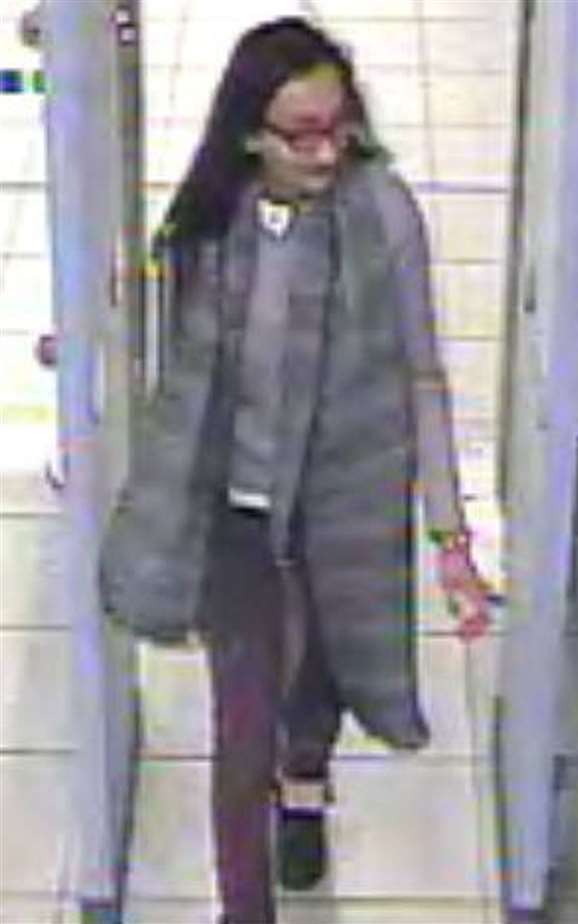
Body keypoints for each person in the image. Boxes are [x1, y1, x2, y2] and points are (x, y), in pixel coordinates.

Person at [95, 18, 493, 924]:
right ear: (248, 135)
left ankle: (306, 782)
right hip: (236, 518)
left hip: (341, 505)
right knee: (239, 738)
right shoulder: (206, 227)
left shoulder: (383, 214)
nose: (324, 152)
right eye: (299, 134)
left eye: (337, 126)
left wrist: (452, 542)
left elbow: (423, 376)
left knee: (322, 679)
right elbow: (172, 381)